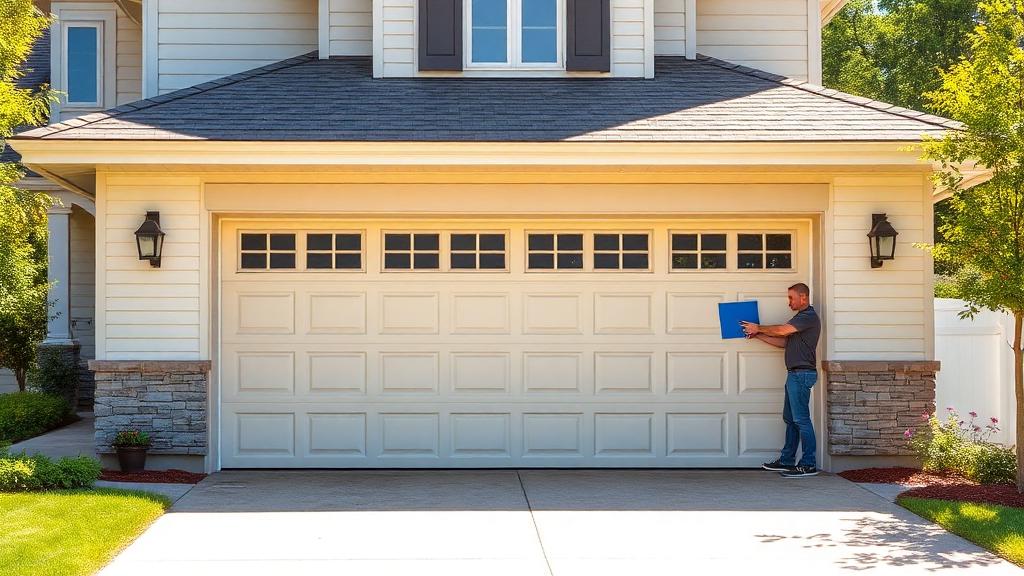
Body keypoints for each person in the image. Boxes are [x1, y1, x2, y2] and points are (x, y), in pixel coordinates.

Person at [740, 283, 821, 478]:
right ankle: (786, 461)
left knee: (801, 420)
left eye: (791, 298)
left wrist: (759, 327)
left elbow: (783, 331)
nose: (789, 302)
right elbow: (784, 342)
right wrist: (757, 335)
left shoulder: (808, 316)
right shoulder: (799, 319)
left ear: (803, 297)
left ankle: (808, 464)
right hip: (794, 374)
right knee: (791, 420)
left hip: (802, 374)